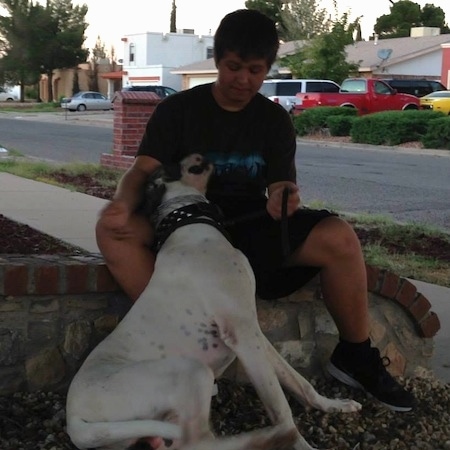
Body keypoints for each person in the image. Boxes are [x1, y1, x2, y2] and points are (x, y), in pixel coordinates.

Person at [96, 9, 414, 412]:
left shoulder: (273, 119)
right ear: (217, 60)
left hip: (248, 226)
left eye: (255, 70)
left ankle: (355, 355)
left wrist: (285, 195)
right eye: (233, 67)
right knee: (111, 231)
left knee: (340, 237)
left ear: (266, 69)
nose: (243, 80)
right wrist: (122, 204)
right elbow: (141, 171)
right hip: (184, 225)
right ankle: (185, 340)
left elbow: (282, 183)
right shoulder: (177, 111)